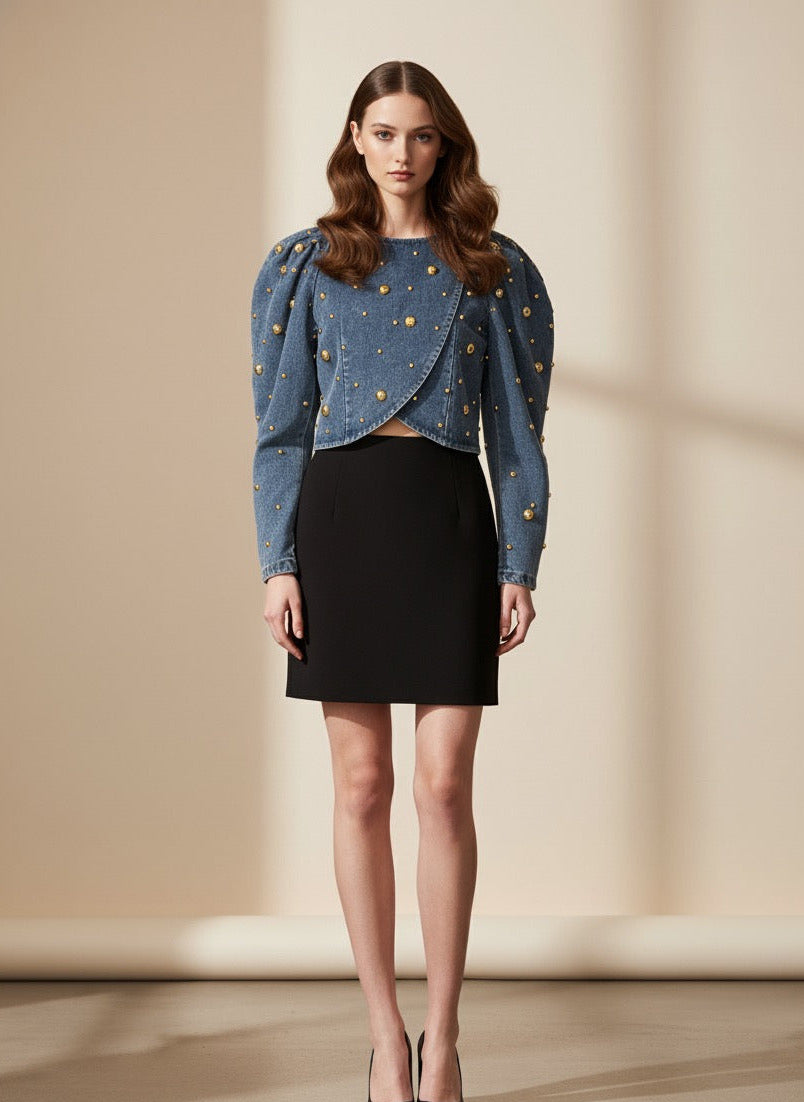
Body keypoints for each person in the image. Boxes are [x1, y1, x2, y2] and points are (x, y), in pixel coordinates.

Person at [250, 60, 554, 1102]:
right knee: (362, 785)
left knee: (444, 783)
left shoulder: (490, 268)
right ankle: (386, 1037)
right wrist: (278, 562)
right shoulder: (309, 264)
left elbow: (517, 434)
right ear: (356, 139)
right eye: (383, 133)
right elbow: (280, 429)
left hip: (448, 522)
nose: (402, 153)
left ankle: (446, 1035)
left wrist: (520, 562)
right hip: (341, 523)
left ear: (444, 144)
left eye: (421, 135)